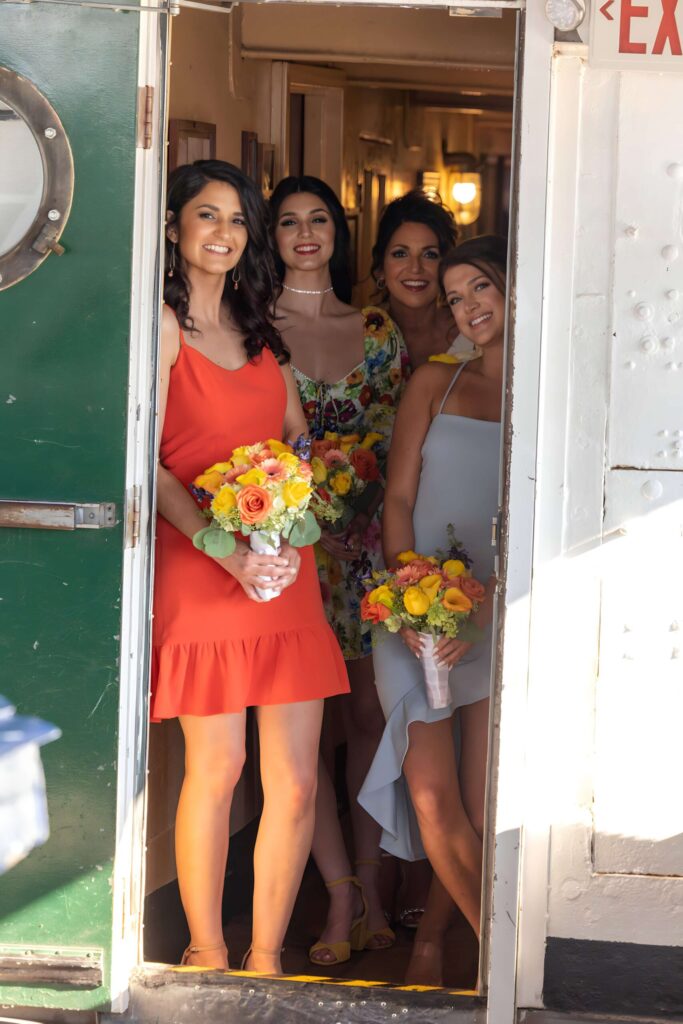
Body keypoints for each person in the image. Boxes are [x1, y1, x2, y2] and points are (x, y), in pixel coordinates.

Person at [152, 160, 349, 975]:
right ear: (173, 230)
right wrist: (223, 545)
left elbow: (296, 439)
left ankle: (266, 957)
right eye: (206, 216)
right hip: (201, 566)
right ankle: (206, 951)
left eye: (237, 219)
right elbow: (151, 466)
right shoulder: (161, 328)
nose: (224, 233)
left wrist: (295, 498)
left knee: (297, 781)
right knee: (221, 765)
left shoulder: (261, 326)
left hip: (281, 570)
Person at [359, 235, 506, 985]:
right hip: (414, 614)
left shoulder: (546, 393)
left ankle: (470, 952)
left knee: (486, 808)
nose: (467, 307)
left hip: (499, 622)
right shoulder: (433, 383)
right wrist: (412, 602)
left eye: (479, 288)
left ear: (512, 287)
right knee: (430, 794)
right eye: (455, 297)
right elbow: (399, 499)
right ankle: (507, 958)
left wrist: (485, 610)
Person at [270, 175, 406, 966]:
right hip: (285, 556)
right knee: (302, 735)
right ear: (272, 236)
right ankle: (338, 899)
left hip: (360, 557)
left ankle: (374, 887)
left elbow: (396, 452)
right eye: (288, 222)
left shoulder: (380, 330)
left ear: (337, 231)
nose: (305, 233)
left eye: (318, 218)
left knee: (364, 722)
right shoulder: (252, 326)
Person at [370, 189, 475, 370]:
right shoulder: (358, 335)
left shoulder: (473, 333)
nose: (415, 268)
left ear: (446, 267)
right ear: (381, 269)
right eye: (400, 254)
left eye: (430, 254)